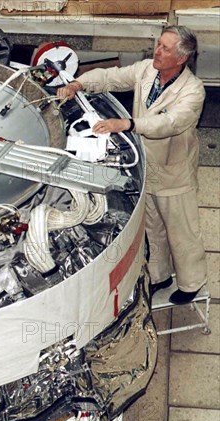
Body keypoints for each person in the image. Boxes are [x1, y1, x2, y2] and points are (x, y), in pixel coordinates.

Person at [57, 25, 207, 305]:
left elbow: (169, 123)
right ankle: (160, 275)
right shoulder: (147, 70)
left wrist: (128, 124)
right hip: (146, 167)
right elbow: (112, 77)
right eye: (158, 44)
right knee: (152, 227)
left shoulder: (193, 91)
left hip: (174, 173)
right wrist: (80, 84)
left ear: (181, 58)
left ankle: (191, 282)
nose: (157, 51)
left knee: (181, 230)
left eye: (164, 48)